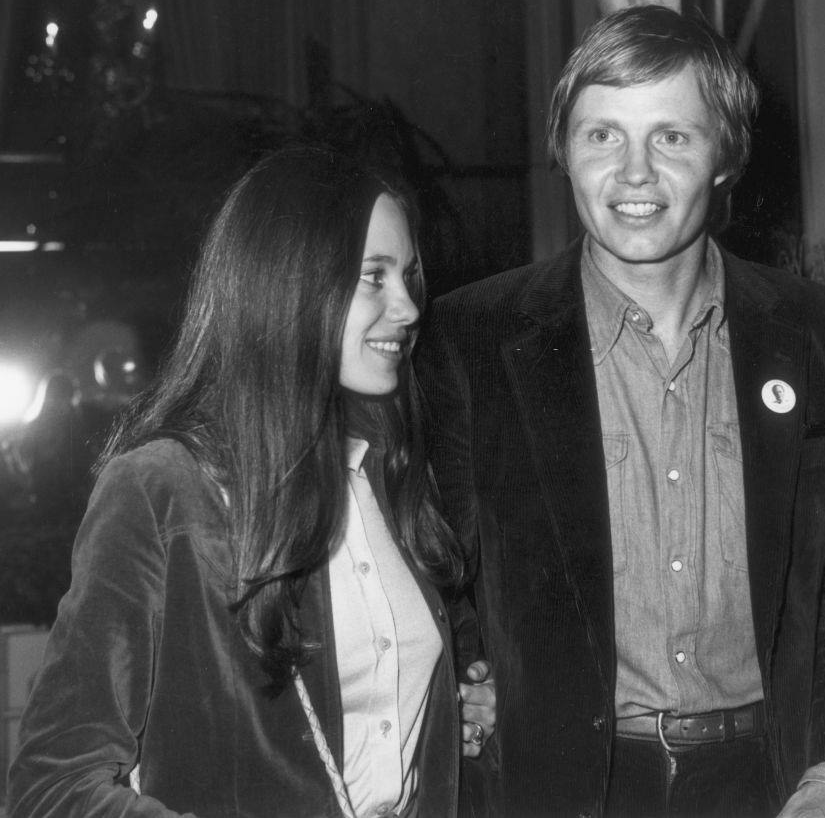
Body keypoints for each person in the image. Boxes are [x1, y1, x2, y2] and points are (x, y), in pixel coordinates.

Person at [416, 5, 825, 818]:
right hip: (564, 793)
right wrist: (470, 679)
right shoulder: (473, 337)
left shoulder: (813, 330)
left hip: (775, 783)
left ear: (724, 157)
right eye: (602, 134)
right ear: (564, 154)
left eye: (672, 137)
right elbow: (436, 569)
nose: (634, 172)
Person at [8, 145, 494, 818]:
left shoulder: (392, 471)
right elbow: (51, 787)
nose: (410, 308)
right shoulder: (162, 490)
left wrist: (463, 696)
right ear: (288, 285)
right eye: (374, 277)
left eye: (409, 278)